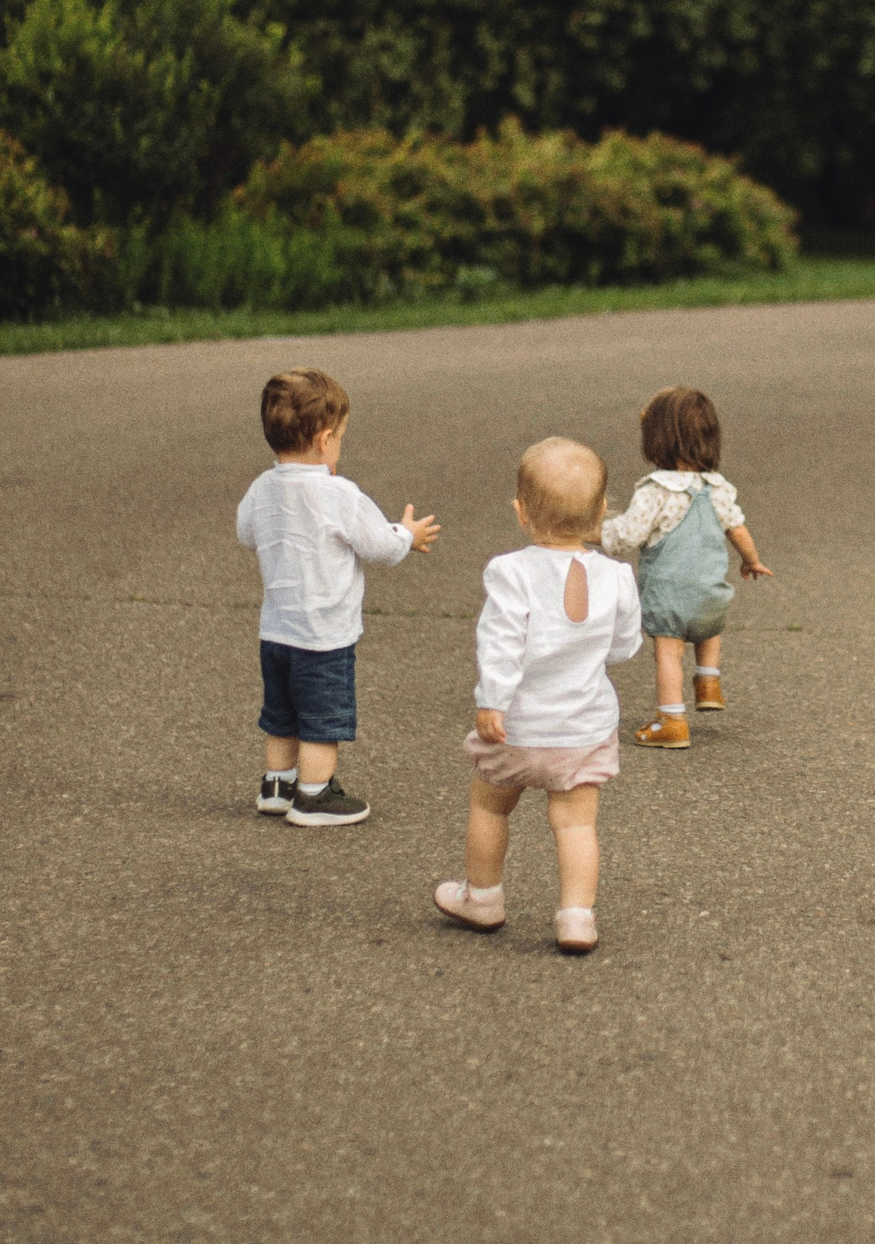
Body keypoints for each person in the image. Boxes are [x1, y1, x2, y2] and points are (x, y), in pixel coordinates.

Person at [436, 438, 641, 953]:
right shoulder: (617, 576)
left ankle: (482, 898)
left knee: (489, 806)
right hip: (583, 730)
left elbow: (501, 640)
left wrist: (492, 700)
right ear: (600, 512)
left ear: (521, 512)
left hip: (519, 728)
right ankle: (576, 917)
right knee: (575, 825)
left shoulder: (512, 571)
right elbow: (624, 646)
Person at [236, 367, 437, 827]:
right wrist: (405, 534)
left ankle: (277, 784)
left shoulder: (262, 488)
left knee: (281, 714)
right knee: (322, 719)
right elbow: (380, 548)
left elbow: (246, 532)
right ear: (325, 440)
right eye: (341, 436)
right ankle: (314, 794)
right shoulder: (339, 493)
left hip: (276, 632)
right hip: (324, 636)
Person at [600, 386, 771, 750]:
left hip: (669, 596)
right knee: (709, 628)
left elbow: (630, 533)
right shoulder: (719, 488)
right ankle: (708, 681)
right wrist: (751, 560)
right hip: (710, 594)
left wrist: (597, 532)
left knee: (669, 653)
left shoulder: (656, 489)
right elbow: (738, 529)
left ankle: (672, 720)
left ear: (657, 440)